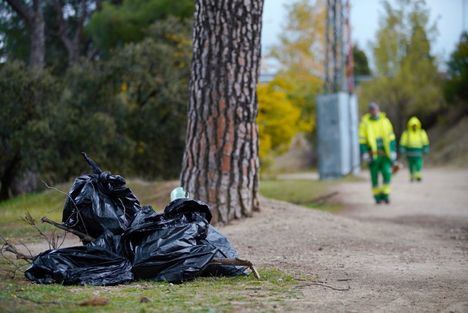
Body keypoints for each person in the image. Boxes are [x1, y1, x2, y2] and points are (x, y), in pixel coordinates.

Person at [359, 103, 397, 204]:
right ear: (369, 111)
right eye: (372, 110)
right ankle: (377, 197)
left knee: (387, 173)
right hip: (372, 154)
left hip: (384, 154)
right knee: (374, 176)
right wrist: (364, 153)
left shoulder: (385, 121)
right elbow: (362, 140)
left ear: (378, 110)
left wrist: (393, 151)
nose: (374, 111)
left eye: (375, 109)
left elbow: (391, 138)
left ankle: (385, 194)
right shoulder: (365, 123)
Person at [399, 116, 429, 182]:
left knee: (419, 163)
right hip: (409, 151)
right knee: (411, 164)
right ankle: (412, 175)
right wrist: (402, 147)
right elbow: (403, 141)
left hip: (418, 151)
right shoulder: (407, 133)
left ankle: (418, 174)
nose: (414, 126)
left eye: (415, 125)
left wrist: (426, 147)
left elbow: (425, 140)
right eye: (413, 125)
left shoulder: (421, 132)